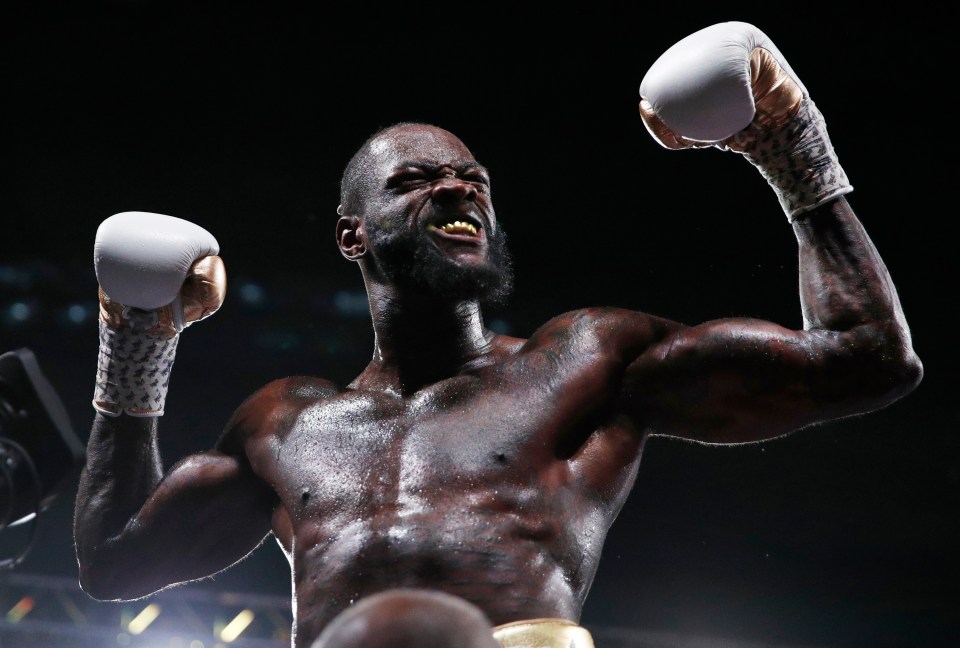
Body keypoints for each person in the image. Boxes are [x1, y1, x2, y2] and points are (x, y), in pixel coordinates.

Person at [73, 21, 923, 648]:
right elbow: (113, 563)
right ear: (351, 236)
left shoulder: (582, 360)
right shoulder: (286, 422)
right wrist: (137, 341)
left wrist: (789, 144)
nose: (456, 190)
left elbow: (867, 360)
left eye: (472, 180)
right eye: (417, 181)